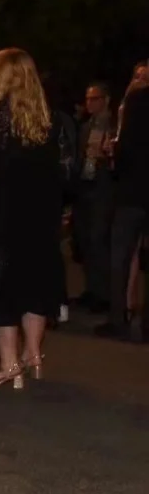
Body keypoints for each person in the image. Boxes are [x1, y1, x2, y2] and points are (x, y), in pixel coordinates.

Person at [0, 49, 71, 387]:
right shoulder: (48, 118)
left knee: (1, 288)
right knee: (35, 283)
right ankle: (33, 355)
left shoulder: (0, 115)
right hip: (40, 217)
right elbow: (64, 167)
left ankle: (9, 366)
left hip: (4, 216)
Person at [95, 76, 149, 342]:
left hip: (132, 192)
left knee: (120, 258)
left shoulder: (136, 100)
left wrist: (115, 158)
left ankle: (118, 318)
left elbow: (124, 148)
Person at [72, 83, 116, 313]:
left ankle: (104, 294)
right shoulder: (85, 127)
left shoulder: (113, 126)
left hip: (103, 190)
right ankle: (92, 290)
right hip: (85, 187)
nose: (90, 104)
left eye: (95, 99)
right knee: (86, 240)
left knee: (99, 240)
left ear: (106, 100)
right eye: (88, 99)